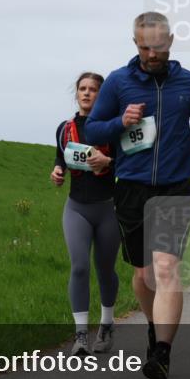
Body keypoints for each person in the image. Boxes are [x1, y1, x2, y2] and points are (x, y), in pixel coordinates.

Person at [84, 12, 190, 379]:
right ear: (135, 43)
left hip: (175, 186)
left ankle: (161, 353)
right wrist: (119, 122)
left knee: (165, 269)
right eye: (144, 47)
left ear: (170, 41)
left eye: (158, 46)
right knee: (143, 276)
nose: (151, 53)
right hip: (131, 187)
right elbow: (93, 128)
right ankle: (154, 326)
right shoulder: (118, 82)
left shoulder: (189, 83)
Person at [51, 72, 120, 356]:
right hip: (76, 207)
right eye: (83, 88)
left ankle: (106, 324)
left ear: (101, 95)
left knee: (105, 269)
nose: (87, 93)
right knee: (79, 266)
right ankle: (80, 335)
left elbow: (128, 165)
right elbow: (60, 160)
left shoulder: (113, 128)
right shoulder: (64, 129)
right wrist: (57, 173)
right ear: (76, 93)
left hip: (108, 208)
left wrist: (109, 161)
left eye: (93, 89)